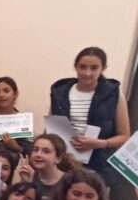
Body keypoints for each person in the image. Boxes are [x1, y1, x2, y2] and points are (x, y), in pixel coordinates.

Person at [49, 47, 131, 181]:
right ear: (75, 67)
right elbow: (50, 127)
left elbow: (124, 136)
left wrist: (100, 143)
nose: (87, 73)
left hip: (98, 165)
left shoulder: (115, 95)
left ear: (103, 68)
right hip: (63, 161)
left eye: (94, 68)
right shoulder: (60, 92)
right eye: (82, 67)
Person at [17, 133, 73, 200]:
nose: (38, 154)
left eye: (46, 151)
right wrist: (26, 182)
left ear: (58, 158)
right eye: (35, 150)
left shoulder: (69, 181)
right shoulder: (30, 175)